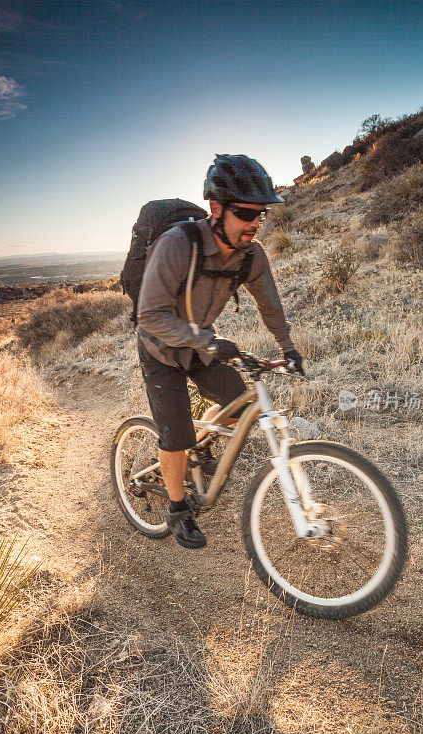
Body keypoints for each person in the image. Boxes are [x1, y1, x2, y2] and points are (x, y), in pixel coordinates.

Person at [137, 154, 303, 549]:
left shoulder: (251, 256)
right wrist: (205, 341)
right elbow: (149, 316)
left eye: (261, 214)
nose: (254, 223)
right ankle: (178, 508)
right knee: (175, 435)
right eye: (246, 213)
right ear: (216, 208)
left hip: (199, 343)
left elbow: (270, 306)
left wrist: (289, 348)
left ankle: (202, 443)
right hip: (160, 347)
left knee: (240, 404)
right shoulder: (178, 245)